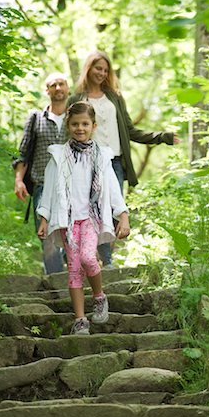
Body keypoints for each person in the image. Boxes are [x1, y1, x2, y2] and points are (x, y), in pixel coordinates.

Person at [67, 50, 180, 267]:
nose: (102, 73)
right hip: (88, 162)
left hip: (116, 162)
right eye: (98, 68)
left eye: (106, 70)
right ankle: (104, 262)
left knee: (114, 210)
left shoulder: (115, 98)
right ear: (88, 68)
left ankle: (102, 257)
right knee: (94, 210)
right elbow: (70, 132)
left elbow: (130, 130)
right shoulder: (77, 99)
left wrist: (162, 137)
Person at [37, 101, 130, 335]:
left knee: (89, 258)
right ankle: (80, 319)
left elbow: (112, 187)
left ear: (93, 126)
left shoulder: (101, 156)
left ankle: (99, 296)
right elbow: (48, 189)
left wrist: (123, 216)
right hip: (66, 222)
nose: (80, 128)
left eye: (85, 124)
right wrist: (44, 217)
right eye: (75, 124)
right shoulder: (58, 156)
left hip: (91, 217)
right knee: (74, 268)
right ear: (68, 125)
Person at [13, 72, 69, 274]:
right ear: (47, 90)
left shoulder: (76, 117)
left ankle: (67, 273)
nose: (57, 88)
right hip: (42, 185)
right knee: (46, 236)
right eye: (53, 85)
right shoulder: (36, 118)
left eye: (61, 84)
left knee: (70, 232)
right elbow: (23, 152)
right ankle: (56, 281)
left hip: (71, 185)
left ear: (68, 88)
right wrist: (19, 180)